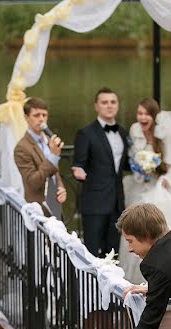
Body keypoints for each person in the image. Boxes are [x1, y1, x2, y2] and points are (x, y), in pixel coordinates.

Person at [119, 98, 171, 284]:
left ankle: (168, 279)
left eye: (146, 114)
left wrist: (166, 179)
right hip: (142, 186)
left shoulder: (166, 131)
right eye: (139, 113)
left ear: (153, 116)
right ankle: (141, 280)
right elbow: (133, 158)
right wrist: (141, 170)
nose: (142, 118)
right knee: (135, 227)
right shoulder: (135, 131)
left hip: (163, 185)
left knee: (161, 228)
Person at [71, 87, 130, 258]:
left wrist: (146, 164)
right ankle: (89, 285)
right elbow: (78, 163)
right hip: (94, 202)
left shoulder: (122, 132)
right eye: (104, 102)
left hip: (117, 203)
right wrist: (78, 171)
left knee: (112, 253)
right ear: (96, 106)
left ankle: (108, 286)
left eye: (113, 102)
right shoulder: (86, 133)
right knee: (91, 253)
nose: (109, 106)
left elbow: (123, 165)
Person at [14, 97, 67, 219]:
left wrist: (61, 187)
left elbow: (55, 173)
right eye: (36, 115)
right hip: (38, 210)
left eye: (44, 115)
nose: (41, 119)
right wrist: (53, 156)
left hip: (55, 206)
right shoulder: (22, 148)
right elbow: (33, 182)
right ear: (26, 118)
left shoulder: (49, 141)